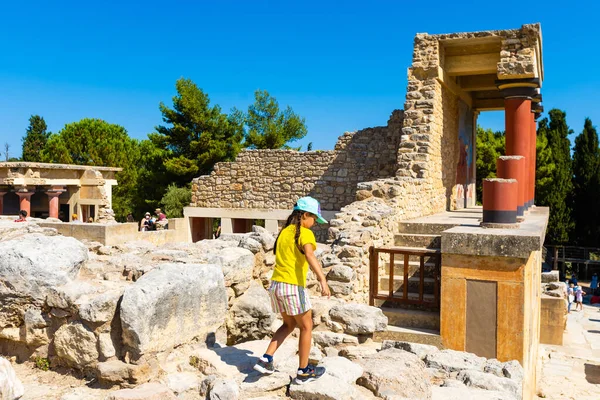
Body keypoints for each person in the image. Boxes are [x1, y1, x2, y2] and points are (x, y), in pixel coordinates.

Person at [253, 196, 331, 385]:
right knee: (306, 327)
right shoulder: (304, 232)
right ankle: (304, 371)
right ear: (305, 215)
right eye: (314, 219)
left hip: (276, 286)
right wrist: (322, 280)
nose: (314, 224)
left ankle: (266, 359)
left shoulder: (284, 232)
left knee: (288, 325)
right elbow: (310, 255)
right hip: (293, 286)